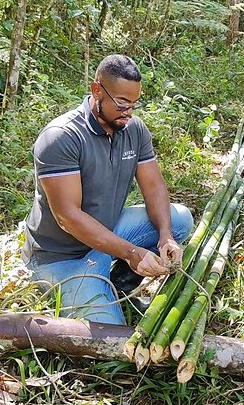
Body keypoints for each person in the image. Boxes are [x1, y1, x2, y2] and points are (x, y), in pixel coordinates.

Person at [23, 54, 194, 325]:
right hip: (60, 257)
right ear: (96, 90)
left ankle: (116, 285)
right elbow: (68, 217)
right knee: (110, 330)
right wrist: (130, 252)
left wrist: (166, 236)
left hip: (107, 234)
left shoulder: (133, 129)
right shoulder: (61, 137)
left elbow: (154, 187)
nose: (129, 112)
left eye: (134, 104)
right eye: (122, 103)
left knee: (180, 218)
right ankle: (88, 289)